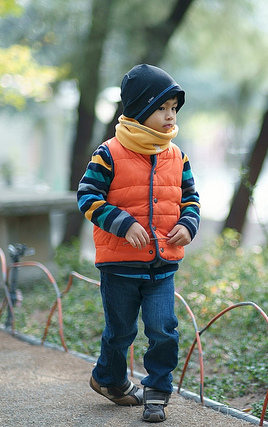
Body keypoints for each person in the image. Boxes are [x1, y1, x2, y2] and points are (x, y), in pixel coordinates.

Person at [77, 64, 200, 423]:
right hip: (119, 265)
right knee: (121, 331)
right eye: (162, 107)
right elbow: (87, 197)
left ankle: (157, 393)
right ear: (140, 109)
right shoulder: (109, 153)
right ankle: (109, 379)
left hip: (162, 265)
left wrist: (188, 225)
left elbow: (190, 199)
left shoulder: (177, 156)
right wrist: (123, 223)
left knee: (163, 328)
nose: (169, 115)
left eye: (174, 108)